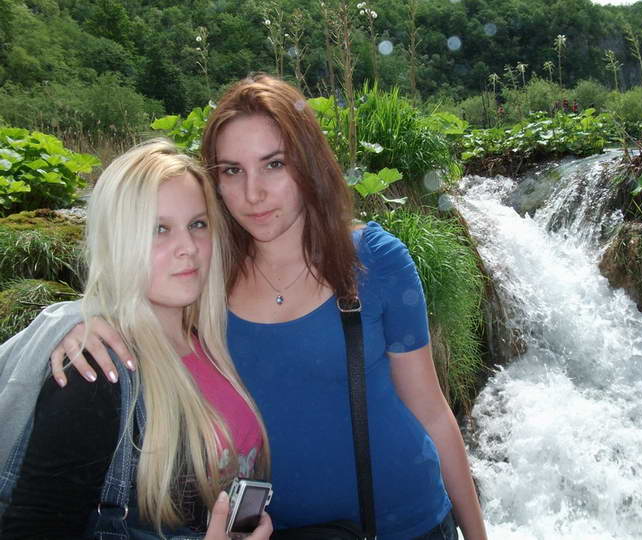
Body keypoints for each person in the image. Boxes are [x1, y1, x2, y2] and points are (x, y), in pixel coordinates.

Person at [48, 74, 489, 540]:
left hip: (406, 524)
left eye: (274, 164)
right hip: (273, 532)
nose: (253, 193)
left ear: (308, 164)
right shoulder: (206, 275)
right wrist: (84, 322)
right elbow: (136, 296)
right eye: (232, 171)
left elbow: (431, 411)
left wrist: (476, 534)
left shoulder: (375, 261)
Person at [0, 139, 272, 540]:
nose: (188, 248)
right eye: (158, 229)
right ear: (118, 243)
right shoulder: (96, 374)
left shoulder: (210, 343)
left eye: (198, 224)